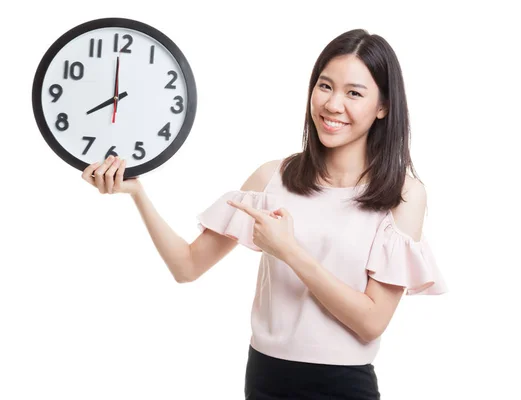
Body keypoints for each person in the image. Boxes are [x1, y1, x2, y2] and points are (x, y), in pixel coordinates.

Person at [82, 28, 448, 400]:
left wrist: (289, 251)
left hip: (343, 386)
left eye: (354, 93)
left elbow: (371, 322)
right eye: (325, 86)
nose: (333, 104)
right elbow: (186, 266)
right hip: (265, 377)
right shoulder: (272, 178)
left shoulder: (403, 194)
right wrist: (137, 193)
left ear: (383, 106)